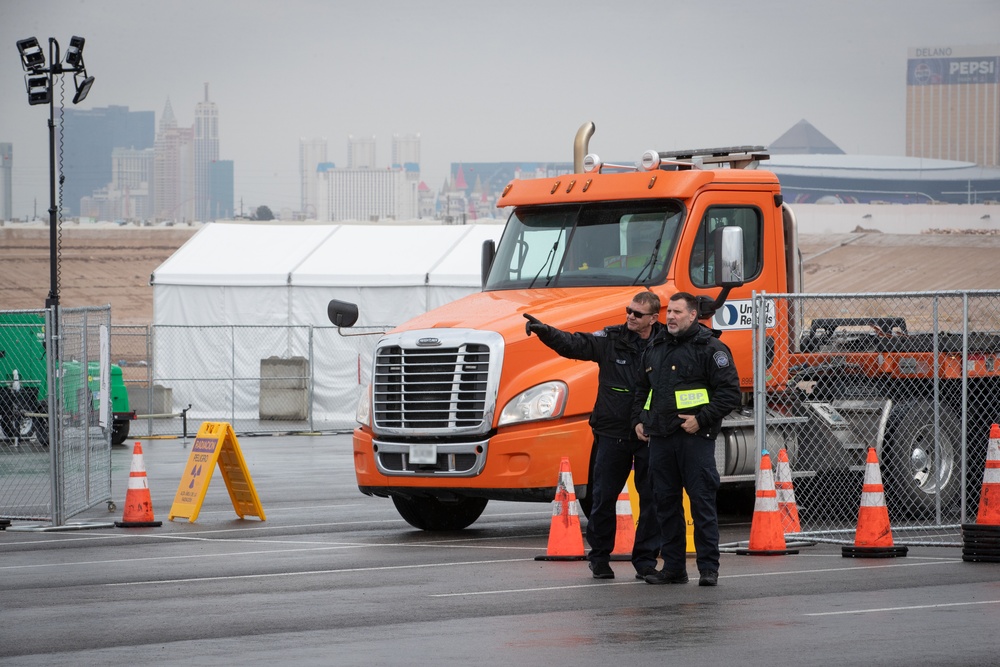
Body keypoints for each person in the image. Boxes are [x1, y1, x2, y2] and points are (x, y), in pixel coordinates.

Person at [524, 292, 662, 580]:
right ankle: (599, 558)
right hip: (612, 433)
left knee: (652, 501)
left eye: (638, 314)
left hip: (650, 434)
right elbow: (575, 344)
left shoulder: (665, 343)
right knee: (602, 499)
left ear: (653, 317)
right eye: (629, 311)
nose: (631, 316)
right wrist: (545, 332)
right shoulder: (611, 339)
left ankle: (646, 562)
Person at [632, 292, 740, 587]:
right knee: (665, 505)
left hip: (695, 439)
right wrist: (640, 420)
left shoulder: (711, 349)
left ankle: (708, 569)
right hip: (662, 439)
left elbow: (730, 393)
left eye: (678, 312)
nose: (671, 317)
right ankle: (674, 569)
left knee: (701, 504)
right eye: (669, 312)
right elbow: (643, 390)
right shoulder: (655, 348)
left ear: (693, 315)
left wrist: (700, 419)